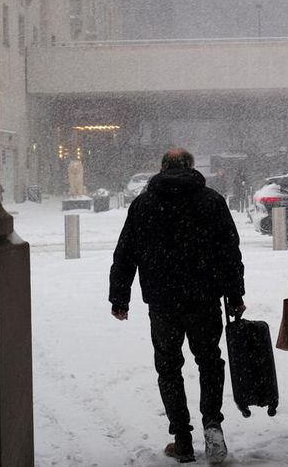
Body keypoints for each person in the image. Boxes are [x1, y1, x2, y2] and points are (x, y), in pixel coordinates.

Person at [109, 148, 246, 464]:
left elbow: (125, 253)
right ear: (192, 167)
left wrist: (120, 297)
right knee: (209, 360)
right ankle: (212, 423)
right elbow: (229, 252)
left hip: (163, 301)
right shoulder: (211, 201)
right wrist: (235, 295)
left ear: (161, 168)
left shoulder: (144, 204)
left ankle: (182, 440)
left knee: (169, 367)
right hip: (204, 298)